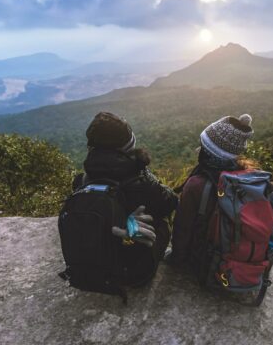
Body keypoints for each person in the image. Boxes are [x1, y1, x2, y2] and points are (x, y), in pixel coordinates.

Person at [75, 111, 178, 280]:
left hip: (91, 264)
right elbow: (171, 202)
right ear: (128, 147)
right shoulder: (141, 182)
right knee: (162, 219)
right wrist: (148, 175)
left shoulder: (84, 178)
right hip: (133, 271)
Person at [167, 113, 257, 271]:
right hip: (241, 258)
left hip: (205, 262)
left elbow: (183, 229)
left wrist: (176, 261)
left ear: (208, 151)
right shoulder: (250, 178)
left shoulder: (196, 185)